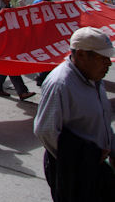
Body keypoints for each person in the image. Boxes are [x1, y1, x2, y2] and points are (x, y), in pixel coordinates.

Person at [34, 27, 115, 201]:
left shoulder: (95, 77)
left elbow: (101, 117)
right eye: (103, 58)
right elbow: (45, 131)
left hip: (96, 166)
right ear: (81, 55)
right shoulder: (61, 84)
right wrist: (84, 156)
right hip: (76, 171)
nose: (109, 63)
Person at [0, 0, 36, 101]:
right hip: (2, 42)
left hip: (9, 40)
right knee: (11, 65)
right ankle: (22, 91)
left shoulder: (7, 5)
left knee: (6, 65)